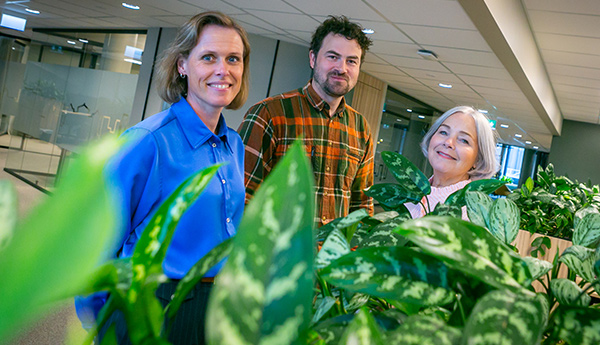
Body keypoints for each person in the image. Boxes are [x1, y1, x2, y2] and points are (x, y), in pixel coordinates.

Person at [75, 11, 250, 344]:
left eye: (233, 59)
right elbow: (97, 244)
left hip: (213, 309)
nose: (222, 70)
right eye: (208, 57)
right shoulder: (147, 141)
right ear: (183, 64)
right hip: (154, 306)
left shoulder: (234, 146)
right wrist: (105, 324)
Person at [238, 15, 374, 226]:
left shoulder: (361, 128)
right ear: (313, 58)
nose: (342, 68)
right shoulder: (269, 114)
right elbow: (242, 197)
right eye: (332, 57)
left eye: (351, 61)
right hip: (280, 255)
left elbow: (362, 206)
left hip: (335, 257)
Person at [405, 106, 499, 220]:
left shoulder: (474, 214)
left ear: (478, 159)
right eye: (444, 132)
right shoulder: (410, 192)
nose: (448, 142)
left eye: (464, 140)